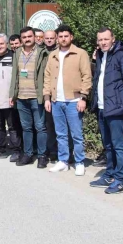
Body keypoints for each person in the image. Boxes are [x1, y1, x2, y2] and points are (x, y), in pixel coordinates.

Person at [88, 27, 123, 194]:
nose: (103, 42)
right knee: (108, 145)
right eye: (100, 40)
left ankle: (120, 179)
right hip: (102, 107)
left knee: (118, 145)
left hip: (116, 108)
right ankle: (109, 174)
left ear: (113, 39)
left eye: (106, 39)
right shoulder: (101, 56)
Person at [43, 25, 92, 175]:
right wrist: (47, 98)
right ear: (57, 38)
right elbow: (47, 77)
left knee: (76, 134)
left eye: (66, 36)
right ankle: (63, 160)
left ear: (71, 37)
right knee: (61, 133)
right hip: (56, 101)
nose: (63, 39)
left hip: (74, 100)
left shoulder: (80, 53)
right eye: (61, 36)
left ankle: (79, 162)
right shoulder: (53, 55)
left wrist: (83, 97)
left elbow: (87, 76)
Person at [13, 27, 49, 167]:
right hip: (21, 97)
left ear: (34, 37)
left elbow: (47, 76)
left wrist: (46, 96)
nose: (27, 39)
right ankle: (28, 154)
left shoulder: (42, 53)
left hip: (36, 96)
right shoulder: (17, 52)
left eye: (29, 36)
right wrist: (13, 94)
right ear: (21, 39)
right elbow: (15, 76)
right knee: (26, 127)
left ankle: (42, 156)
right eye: (24, 37)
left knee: (40, 127)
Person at [42, 29, 59, 161]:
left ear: (56, 38)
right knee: (48, 125)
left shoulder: (60, 53)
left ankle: (63, 152)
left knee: (58, 125)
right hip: (44, 93)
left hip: (57, 94)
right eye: (46, 38)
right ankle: (51, 150)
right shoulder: (41, 52)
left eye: (51, 38)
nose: (48, 40)